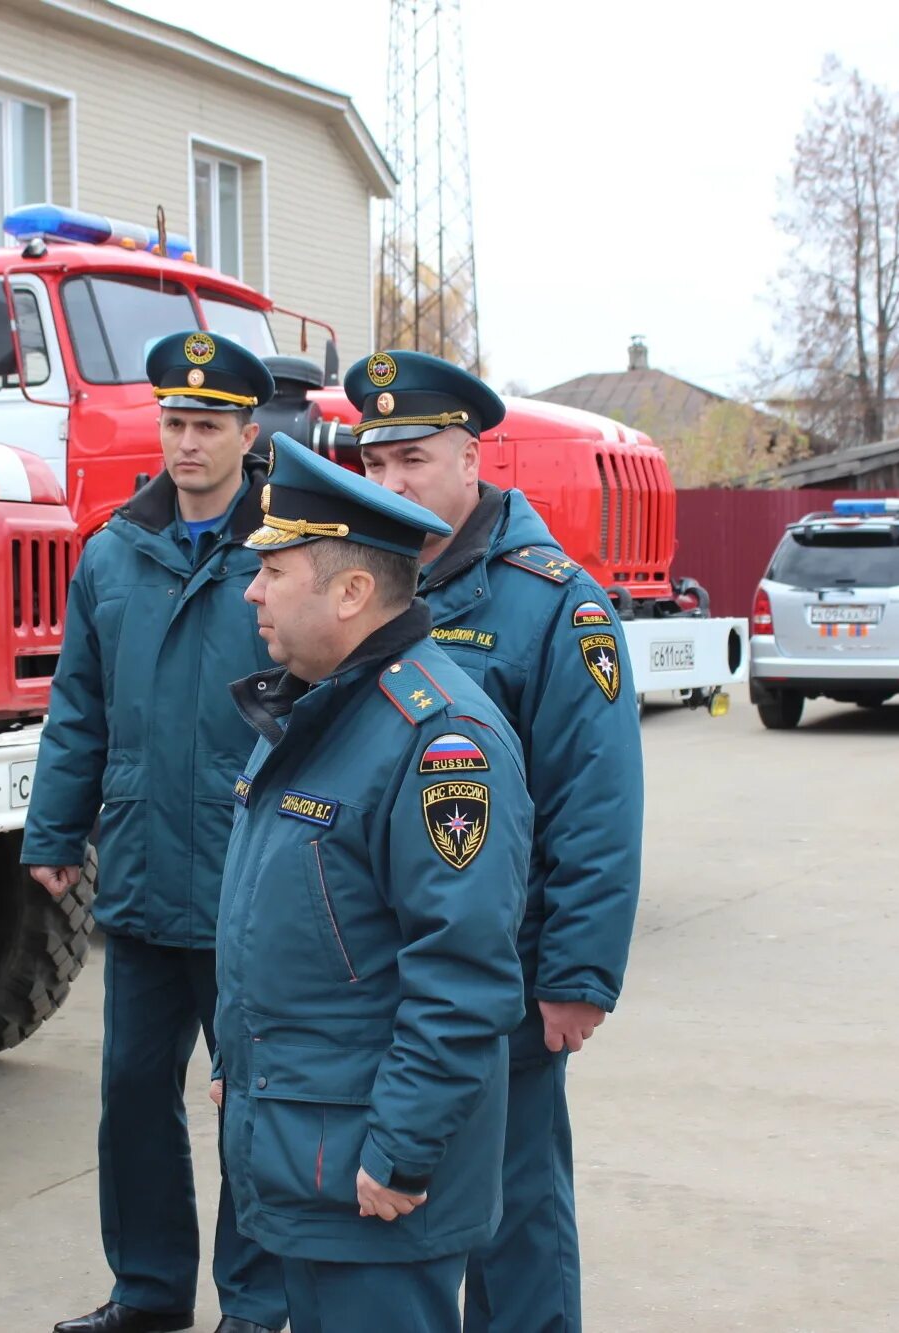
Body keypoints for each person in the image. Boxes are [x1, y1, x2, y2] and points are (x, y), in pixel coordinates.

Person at [348, 349, 645, 1333]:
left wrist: (576, 974)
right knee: (400, 1200)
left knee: (515, 1215)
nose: (391, 483)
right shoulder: (357, 586)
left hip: (505, 976)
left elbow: (595, 803)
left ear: (471, 458)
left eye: (414, 459)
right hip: (387, 965)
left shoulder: (552, 601)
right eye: (373, 460)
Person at [213, 436, 534, 1332]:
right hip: (305, 1146)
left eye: (274, 568)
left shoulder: (438, 741)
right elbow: (291, 927)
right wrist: (234, 1058)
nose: (252, 590)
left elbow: (462, 975)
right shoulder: (317, 707)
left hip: (372, 1181)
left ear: (351, 592)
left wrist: (401, 1150)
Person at [23, 332, 288, 1333]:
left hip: (249, 880)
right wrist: (53, 830)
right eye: (174, 422)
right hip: (136, 875)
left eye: (207, 424)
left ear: (245, 433)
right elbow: (78, 705)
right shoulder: (111, 553)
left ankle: (255, 1307)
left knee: (251, 1105)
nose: (186, 442)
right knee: (132, 1098)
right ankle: (145, 1292)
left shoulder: (284, 550)